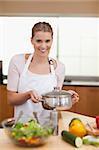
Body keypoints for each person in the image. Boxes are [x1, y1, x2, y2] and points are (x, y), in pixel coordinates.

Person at [7, 22, 79, 124]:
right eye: (39, 41)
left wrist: (67, 97)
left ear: (52, 41)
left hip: (49, 127)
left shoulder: (59, 67)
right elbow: (11, 99)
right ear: (31, 40)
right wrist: (28, 95)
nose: (43, 46)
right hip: (23, 127)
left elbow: (53, 103)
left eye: (47, 41)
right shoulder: (17, 61)